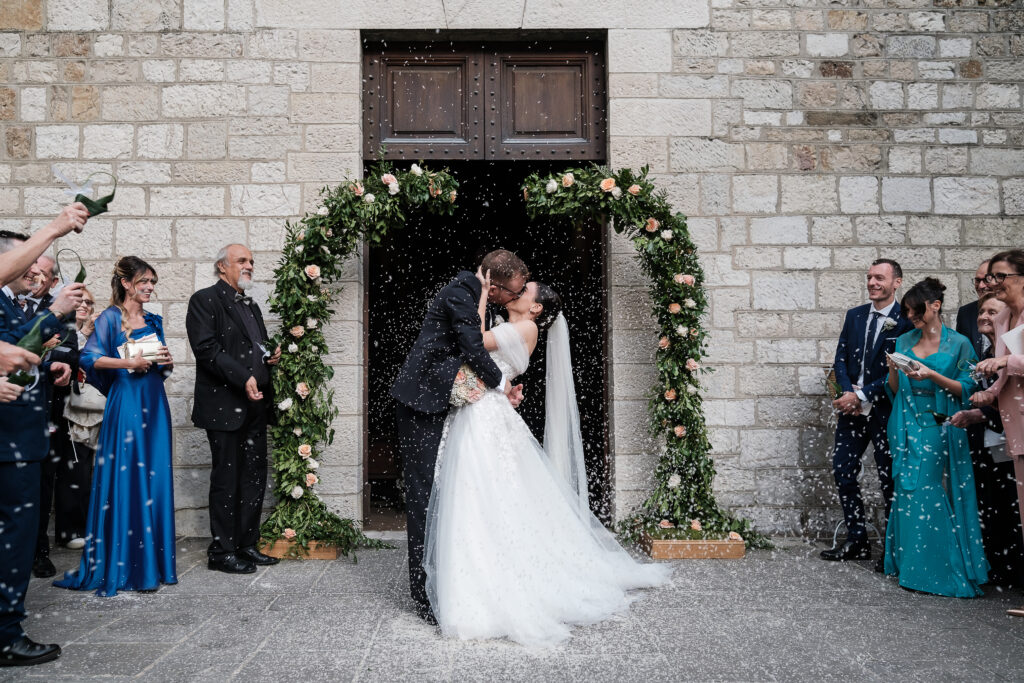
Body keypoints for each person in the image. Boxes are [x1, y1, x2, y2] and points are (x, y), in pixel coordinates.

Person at [424, 275, 670, 646]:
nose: (517, 291)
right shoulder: (509, 324)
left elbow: (475, 342)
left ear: (536, 308)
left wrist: (481, 292)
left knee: (485, 490)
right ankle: (475, 576)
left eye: (525, 291)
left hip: (487, 417)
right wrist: (506, 386)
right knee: (476, 492)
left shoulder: (526, 327)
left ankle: (493, 583)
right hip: (484, 410)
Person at [391, 249, 526, 623]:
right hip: (421, 405)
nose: (513, 298)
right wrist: (502, 385)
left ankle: (444, 580)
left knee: (442, 492)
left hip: (442, 406)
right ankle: (424, 595)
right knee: (423, 496)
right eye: (512, 293)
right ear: (494, 286)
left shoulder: (479, 298)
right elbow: (472, 344)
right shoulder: (460, 291)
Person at [54, 256, 177, 596]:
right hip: (126, 403)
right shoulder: (109, 318)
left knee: (153, 476)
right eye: (144, 281)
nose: (150, 287)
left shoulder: (153, 320)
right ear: (126, 283)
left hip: (154, 403)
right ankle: (125, 564)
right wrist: (128, 363)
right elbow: (89, 358)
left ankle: (152, 564)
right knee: (127, 476)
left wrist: (165, 361)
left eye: (152, 282)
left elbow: (162, 369)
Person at [0, 204, 89, 668]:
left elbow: (18, 346)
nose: (33, 268)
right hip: (8, 438)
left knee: (14, 535)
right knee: (13, 537)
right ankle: (6, 634)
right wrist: (54, 312)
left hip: (21, 436)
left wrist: (52, 358)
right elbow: (19, 345)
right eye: (26, 258)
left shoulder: (12, 303)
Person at [883, 277, 988, 597]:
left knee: (925, 488)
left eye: (916, 312)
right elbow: (895, 391)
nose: (911, 318)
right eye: (908, 313)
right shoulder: (904, 340)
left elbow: (968, 388)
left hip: (940, 423)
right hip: (907, 424)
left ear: (935, 306)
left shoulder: (960, 344)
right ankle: (911, 566)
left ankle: (937, 571)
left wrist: (931, 374)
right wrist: (893, 370)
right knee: (907, 489)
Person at [185, 244, 281, 574]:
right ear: (222, 267)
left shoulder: (250, 304)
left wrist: (270, 354)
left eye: (251, 261)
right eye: (241, 260)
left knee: (253, 477)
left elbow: (252, 346)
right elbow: (206, 349)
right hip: (225, 405)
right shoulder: (205, 300)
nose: (248, 265)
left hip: (256, 405)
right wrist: (243, 377)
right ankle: (221, 552)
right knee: (227, 479)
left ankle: (246, 544)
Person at [821, 259, 913, 567]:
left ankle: (892, 548)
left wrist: (862, 395)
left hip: (885, 409)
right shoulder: (855, 315)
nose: (872, 282)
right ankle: (856, 539)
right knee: (843, 470)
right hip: (852, 411)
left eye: (880, 278)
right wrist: (848, 393)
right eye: (870, 277)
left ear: (896, 282)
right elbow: (841, 358)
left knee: (889, 477)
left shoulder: (905, 320)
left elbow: (899, 367)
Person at [951, 293, 1023, 587]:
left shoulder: (1010, 357)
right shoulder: (984, 355)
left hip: (1011, 438)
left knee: (1011, 505)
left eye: (992, 312)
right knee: (993, 503)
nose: (983, 316)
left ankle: (1016, 570)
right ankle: (999, 566)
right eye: (981, 311)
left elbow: (1011, 397)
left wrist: (982, 412)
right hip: (987, 441)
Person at [970, 249, 1024, 616]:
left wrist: (1006, 359)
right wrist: (989, 394)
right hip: (1014, 421)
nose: (993, 284)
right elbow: (1004, 375)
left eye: (1000, 277)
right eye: (991, 278)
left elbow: (1007, 362)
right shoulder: (1004, 316)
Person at [31, 254, 82, 577]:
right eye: (31, 271)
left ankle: (38, 551)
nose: (35, 278)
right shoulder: (12, 306)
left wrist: (53, 357)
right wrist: (42, 349)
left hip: (47, 409)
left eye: (43, 274)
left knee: (42, 483)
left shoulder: (62, 310)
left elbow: (69, 348)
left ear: (52, 282)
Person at [58, 288, 104, 552]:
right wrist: (85, 332)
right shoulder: (60, 330)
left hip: (83, 408)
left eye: (89, 302)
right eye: (80, 301)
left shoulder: (92, 335)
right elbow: (65, 357)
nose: (85, 305)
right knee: (69, 467)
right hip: (60, 406)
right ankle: (68, 530)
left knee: (82, 466)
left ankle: (82, 526)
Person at [956, 260, 992, 358]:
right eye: (977, 280)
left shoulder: (1013, 310)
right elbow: (962, 353)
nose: (981, 286)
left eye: (986, 280)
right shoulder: (965, 312)